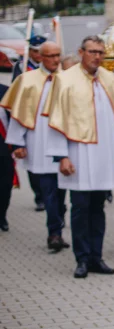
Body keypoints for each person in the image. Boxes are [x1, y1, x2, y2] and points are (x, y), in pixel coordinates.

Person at [46, 36, 114, 278]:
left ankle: (97, 257)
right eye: (92, 51)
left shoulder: (110, 79)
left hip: (104, 156)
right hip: (78, 155)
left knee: (98, 207)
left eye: (101, 52)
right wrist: (62, 156)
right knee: (80, 207)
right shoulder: (65, 80)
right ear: (80, 52)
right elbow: (56, 121)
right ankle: (82, 258)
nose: (97, 56)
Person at [3, 41, 67, 249]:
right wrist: (17, 143)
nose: (55, 60)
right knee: (49, 189)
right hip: (39, 141)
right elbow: (18, 113)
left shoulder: (68, 79)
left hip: (65, 144)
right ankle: (54, 233)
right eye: (51, 56)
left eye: (58, 55)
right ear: (40, 57)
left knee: (61, 192)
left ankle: (59, 225)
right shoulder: (27, 80)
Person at [13, 34, 47, 211]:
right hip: (30, 119)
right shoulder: (21, 67)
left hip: (47, 120)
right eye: (36, 51)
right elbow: (15, 94)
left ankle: (50, 195)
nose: (39, 55)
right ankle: (39, 196)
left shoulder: (50, 68)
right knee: (33, 160)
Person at [0, 84, 15, 233]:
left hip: (3, 147)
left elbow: (14, 118)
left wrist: (17, 145)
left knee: (5, 185)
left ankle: (2, 214)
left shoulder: (6, 91)